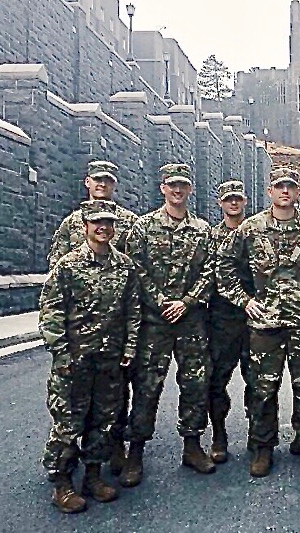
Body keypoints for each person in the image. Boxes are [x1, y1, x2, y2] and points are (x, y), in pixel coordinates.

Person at [217, 167, 300, 478]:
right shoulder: (251, 228)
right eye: (280, 187)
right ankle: (262, 446)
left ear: (298, 192)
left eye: (291, 187)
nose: (285, 192)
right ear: (270, 192)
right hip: (266, 323)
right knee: (263, 388)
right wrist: (244, 300)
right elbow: (224, 265)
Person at [39, 200, 140, 514]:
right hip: (75, 359)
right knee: (69, 422)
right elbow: (51, 310)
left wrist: (129, 348)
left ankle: (93, 476)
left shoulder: (124, 266)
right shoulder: (68, 266)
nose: (103, 228)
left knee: (104, 420)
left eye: (108, 223)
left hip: (109, 360)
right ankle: (62, 483)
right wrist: (60, 351)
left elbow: (132, 311)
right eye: (97, 223)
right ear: (85, 227)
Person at [121, 163, 215, 487]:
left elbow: (210, 272)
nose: (177, 191)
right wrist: (161, 301)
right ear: (163, 188)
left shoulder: (203, 230)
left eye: (183, 185)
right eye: (172, 185)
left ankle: (192, 445)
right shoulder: (143, 228)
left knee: (195, 383)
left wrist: (186, 301)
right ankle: (135, 451)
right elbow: (135, 269)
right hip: (155, 321)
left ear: (190, 190)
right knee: (147, 386)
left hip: (190, 321)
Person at [207, 180, 252, 464]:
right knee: (217, 378)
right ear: (220, 203)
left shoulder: (256, 233)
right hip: (222, 317)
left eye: (237, 199)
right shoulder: (210, 237)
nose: (233, 204)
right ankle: (219, 435)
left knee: (258, 380)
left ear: (244, 202)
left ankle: (257, 435)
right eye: (228, 200)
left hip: (253, 315)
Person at [48, 161, 138, 269]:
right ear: (87, 182)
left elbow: (137, 265)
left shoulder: (130, 222)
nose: (103, 184)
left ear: (114, 185)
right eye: (97, 179)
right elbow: (56, 265)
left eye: (108, 181)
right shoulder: (71, 222)